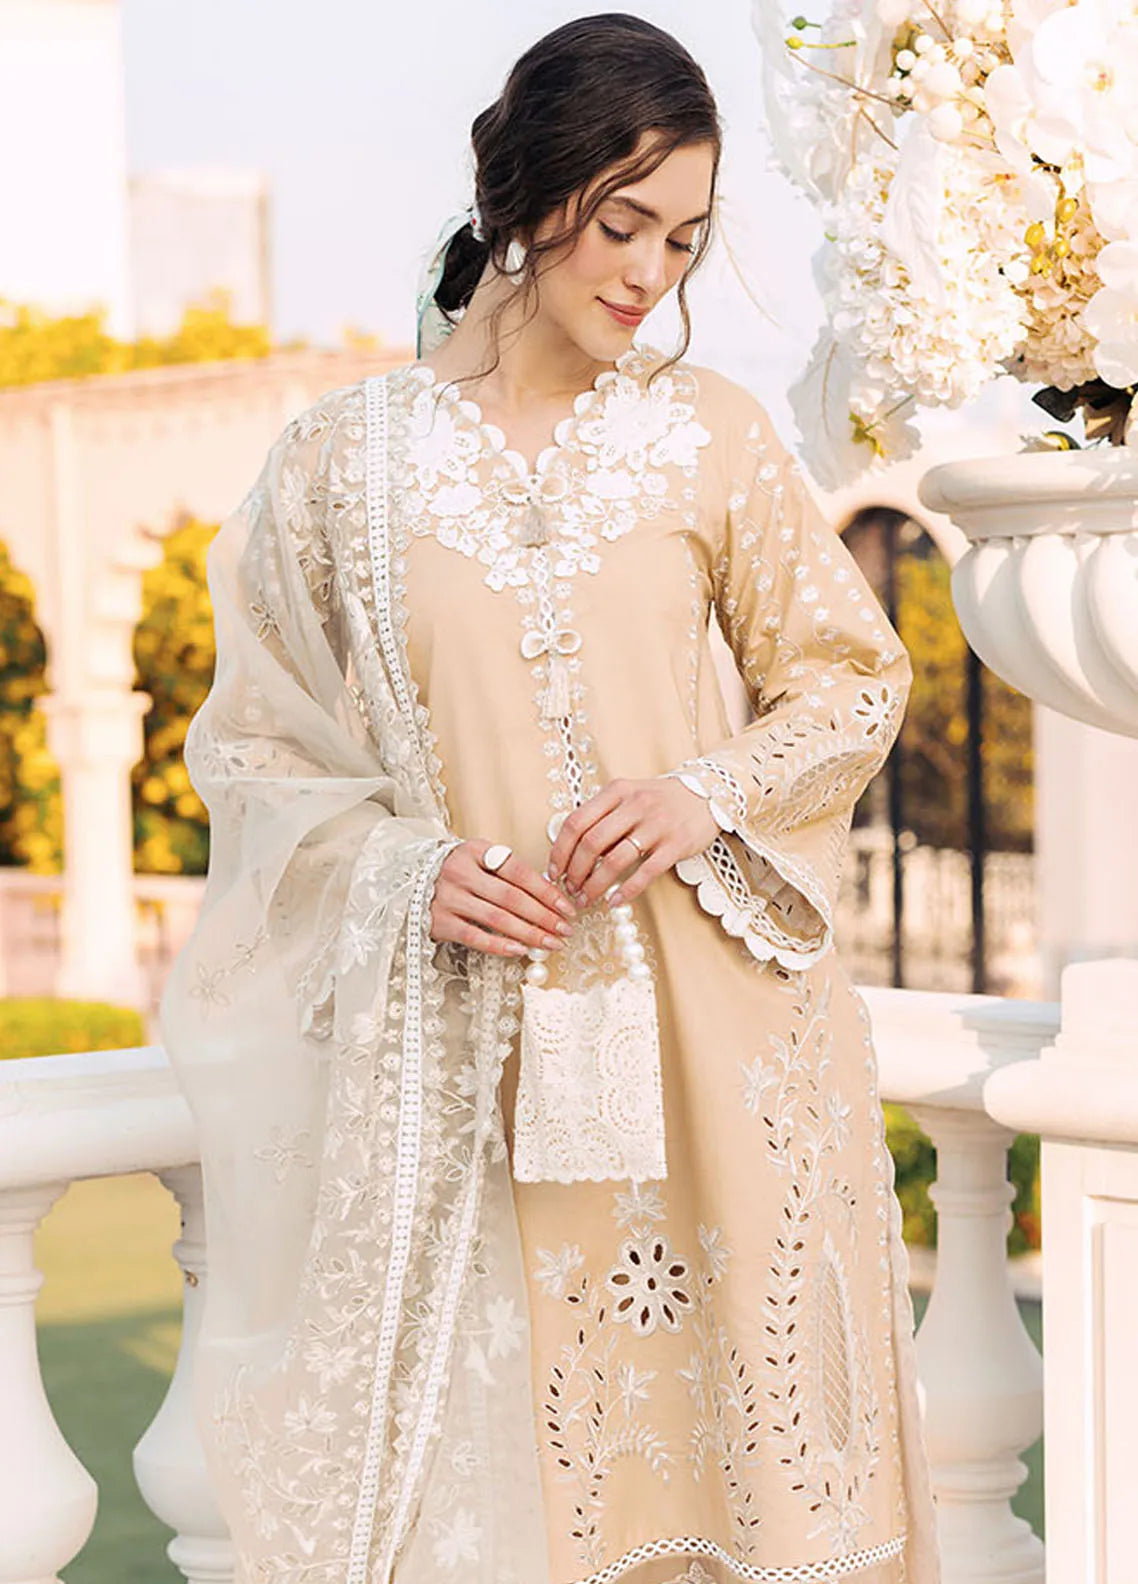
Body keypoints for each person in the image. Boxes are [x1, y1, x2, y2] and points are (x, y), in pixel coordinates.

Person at [160, 13, 939, 1584]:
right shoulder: (341, 464)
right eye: (622, 221)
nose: (650, 273)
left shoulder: (707, 437)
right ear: (522, 193)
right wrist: (403, 868)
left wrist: (707, 792)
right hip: (476, 1065)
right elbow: (254, 755)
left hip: (721, 1059)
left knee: (750, 1501)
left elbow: (853, 682)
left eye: (684, 237)